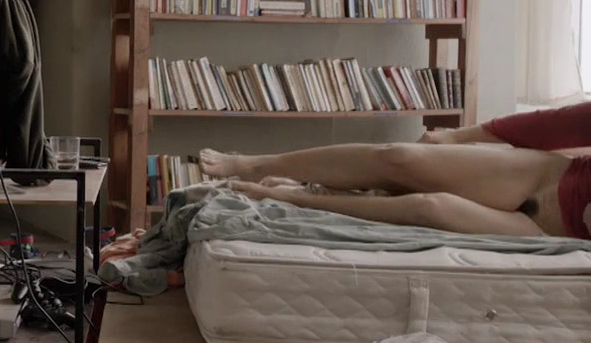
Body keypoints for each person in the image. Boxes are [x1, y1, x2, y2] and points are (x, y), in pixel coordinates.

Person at [199, 101, 591, 238]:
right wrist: (457, 136)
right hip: (550, 176)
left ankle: (297, 196)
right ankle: (254, 163)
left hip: (553, 231)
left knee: (427, 207)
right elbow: (560, 123)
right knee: (400, 157)